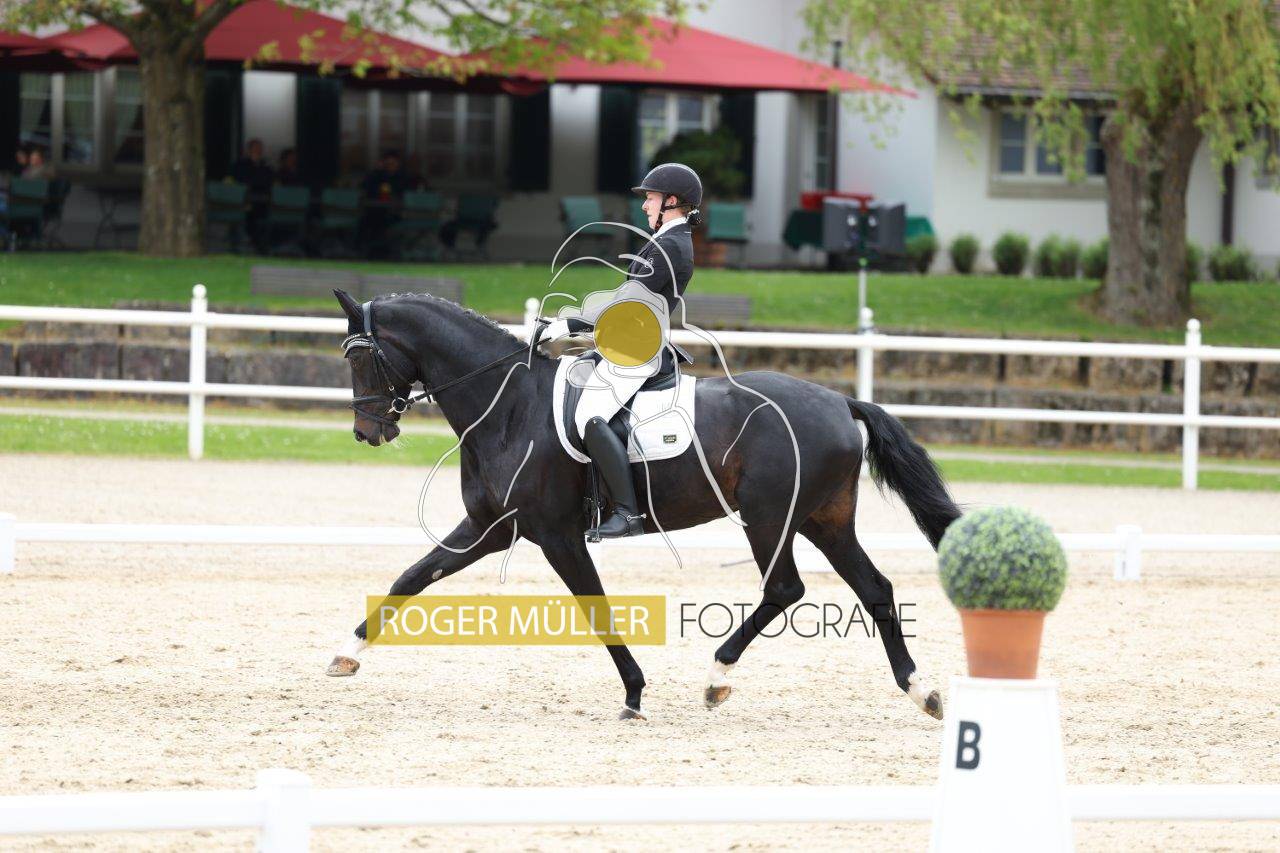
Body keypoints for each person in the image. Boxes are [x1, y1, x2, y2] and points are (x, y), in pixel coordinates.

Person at [537, 162, 702, 538]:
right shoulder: (666, 241)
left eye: (651, 198)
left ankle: (627, 513)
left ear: (672, 201)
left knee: (590, 416)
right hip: (626, 344)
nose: (644, 205)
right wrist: (575, 325)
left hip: (638, 351)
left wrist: (570, 324)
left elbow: (627, 301)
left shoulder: (671, 246)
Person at [231, 139, 274, 253]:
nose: (258, 151)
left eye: (260, 148)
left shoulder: (266, 166)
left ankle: (261, 244)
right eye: (255, 148)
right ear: (249, 150)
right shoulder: (240, 165)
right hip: (244, 201)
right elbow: (240, 181)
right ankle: (252, 242)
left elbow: (269, 181)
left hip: (264, 201)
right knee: (250, 213)